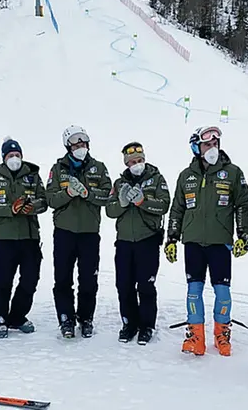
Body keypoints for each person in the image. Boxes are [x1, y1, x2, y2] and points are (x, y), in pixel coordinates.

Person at [165, 126, 248, 357]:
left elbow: (244, 205)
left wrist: (244, 235)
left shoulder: (233, 173)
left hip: (220, 242)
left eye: (215, 144)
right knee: (194, 292)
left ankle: (222, 335)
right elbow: (177, 209)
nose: (212, 148)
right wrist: (172, 238)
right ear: (196, 147)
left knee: (222, 293)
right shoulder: (186, 176)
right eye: (207, 144)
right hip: (193, 241)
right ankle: (196, 336)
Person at [46, 125, 112, 338]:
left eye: (83, 143)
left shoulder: (99, 168)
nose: (80, 147)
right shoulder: (57, 169)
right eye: (76, 143)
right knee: (63, 278)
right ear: (68, 146)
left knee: (88, 279)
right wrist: (68, 192)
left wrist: (88, 193)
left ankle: (86, 318)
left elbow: (108, 196)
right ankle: (66, 318)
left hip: (89, 233)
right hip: (64, 232)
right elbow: (51, 200)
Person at [0, 137, 48, 339]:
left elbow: (44, 201)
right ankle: (0, 318)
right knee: (3, 280)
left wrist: (31, 207)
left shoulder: (33, 176)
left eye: (17, 155)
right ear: (4, 158)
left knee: (30, 279)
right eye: (11, 155)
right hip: (3, 237)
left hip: (29, 237)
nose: (15, 159)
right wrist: (11, 209)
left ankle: (17, 316)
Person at [105, 142, 171, 345]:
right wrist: (122, 203)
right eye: (132, 162)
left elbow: (165, 204)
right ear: (126, 163)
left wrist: (144, 202)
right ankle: (129, 324)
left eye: (140, 160)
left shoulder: (156, 179)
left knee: (146, 285)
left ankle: (147, 325)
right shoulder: (119, 184)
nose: (137, 164)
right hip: (124, 242)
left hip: (147, 240)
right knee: (124, 285)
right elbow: (109, 210)